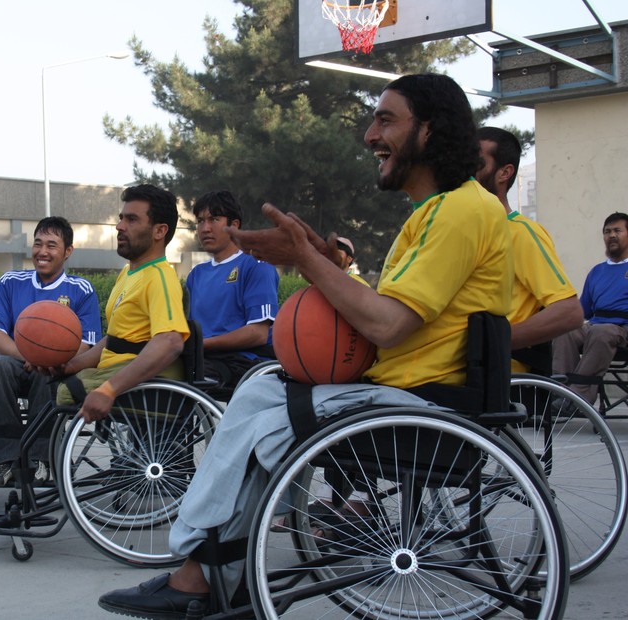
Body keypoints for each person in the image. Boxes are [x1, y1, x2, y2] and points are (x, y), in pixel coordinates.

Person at [97, 73, 513, 619]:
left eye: (386, 119)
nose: (370, 134)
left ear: (430, 131)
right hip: (403, 390)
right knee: (257, 390)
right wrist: (328, 260)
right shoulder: (433, 212)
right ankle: (205, 567)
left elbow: (387, 327)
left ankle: (201, 571)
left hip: (429, 403)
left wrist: (305, 260)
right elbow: (390, 311)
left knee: (263, 424)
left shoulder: (462, 210)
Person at [0, 216, 102, 486]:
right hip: (16, 361)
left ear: (67, 251)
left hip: (58, 368)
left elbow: (87, 344)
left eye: (51, 245)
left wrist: (46, 359)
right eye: (38, 244)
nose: (42, 251)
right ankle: (4, 461)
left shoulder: (81, 289)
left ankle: (40, 460)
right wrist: (31, 355)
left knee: (45, 373)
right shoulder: (10, 282)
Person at [63, 184, 191, 421]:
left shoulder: (160, 277)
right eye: (121, 218)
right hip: (110, 370)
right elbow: (114, 340)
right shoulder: (128, 273)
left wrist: (109, 389)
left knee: (60, 393)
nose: (119, 226)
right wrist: (71, 365)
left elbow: (170, 341)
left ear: (159, 231)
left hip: (140, 383)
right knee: (48, 379)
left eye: (132, 219)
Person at [476, 126, 582, 374]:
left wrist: (492, 344)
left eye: (476, 162)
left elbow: (568, 312)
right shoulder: (464, 233)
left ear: (504, 172)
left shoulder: (520, 232)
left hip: (499, 378)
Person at [184, 190, 279, 400]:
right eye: (200, 221)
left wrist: (200, 344)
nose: (205, 228)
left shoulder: (256, 266)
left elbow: (258, 332)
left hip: (241, 361)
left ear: (234, 225)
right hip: (201, 357)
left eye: (214, 219)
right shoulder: (196, 274)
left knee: (180, 377)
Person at [552, 212, 628, 404]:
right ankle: (561, 391)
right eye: (607, 231)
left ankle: (579, 395)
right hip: (596, 325)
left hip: (622, 328)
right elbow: (582, 310)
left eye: (617, 230)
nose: (611, 235)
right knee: (564, 332)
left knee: (601, 332)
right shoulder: (597, 271)